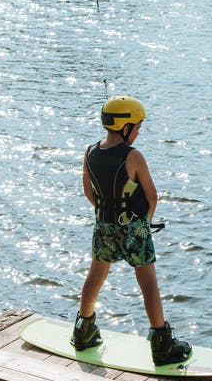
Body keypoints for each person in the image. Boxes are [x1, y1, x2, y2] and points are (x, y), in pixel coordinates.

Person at [72, 95, 192, 366]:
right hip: (134, 228)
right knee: (148, 282)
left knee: (96, 275)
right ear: (125, 126)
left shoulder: (89, 151)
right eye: (137, 127)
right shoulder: (133, 156)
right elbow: (152, 195)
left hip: (103, 224)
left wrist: (107, 216)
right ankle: (162, 344)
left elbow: (89, 192)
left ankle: (83, 330)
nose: (138, 132)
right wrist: (144, 225)